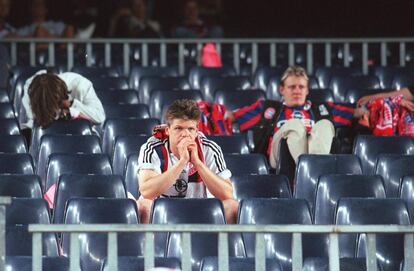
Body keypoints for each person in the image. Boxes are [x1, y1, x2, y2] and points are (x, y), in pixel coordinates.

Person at [229, 66, 363, 169]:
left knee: (325, 125)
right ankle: (307, 171)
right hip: (278, 158)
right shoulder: (267, 108)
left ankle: (312, 172)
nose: (297, 91)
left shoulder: (323, 109)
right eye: (292, 87)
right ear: (282, 89)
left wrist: (378, 103)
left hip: (313, 151)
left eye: (301, 87)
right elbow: (232, 117)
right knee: (294, 126)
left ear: (307, 90)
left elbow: (358, 113)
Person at [136, 99, 238, 224]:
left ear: (196, 131)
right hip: (163, 213)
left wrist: (197, 163)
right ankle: (150, 244)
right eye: (178, 128)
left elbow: (227, 193)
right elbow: (146, 191)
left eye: (190, 129)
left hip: (200, 210)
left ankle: (223, 244)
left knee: (232, 206)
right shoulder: (152, 148)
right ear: (168, 130)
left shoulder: (210, 148)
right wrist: (182, 162)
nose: (185, 134)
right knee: (143, 206)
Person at [19, 70, 105, 140]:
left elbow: (99, 117)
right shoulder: (33, 90)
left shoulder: (81, 85)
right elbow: (30, 121)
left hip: (79, 135)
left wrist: (72, 104)